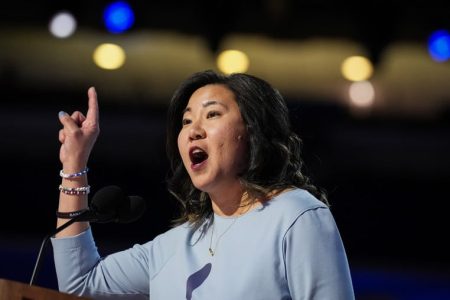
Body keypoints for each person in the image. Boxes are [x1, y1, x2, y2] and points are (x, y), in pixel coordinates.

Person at [52, 70, 355, 299]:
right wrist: (74, 166)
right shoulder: (173, 246)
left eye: (212, 114)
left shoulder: (295, 216)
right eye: (186, 122)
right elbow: (80, 284)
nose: (193, 130)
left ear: (253, 131)